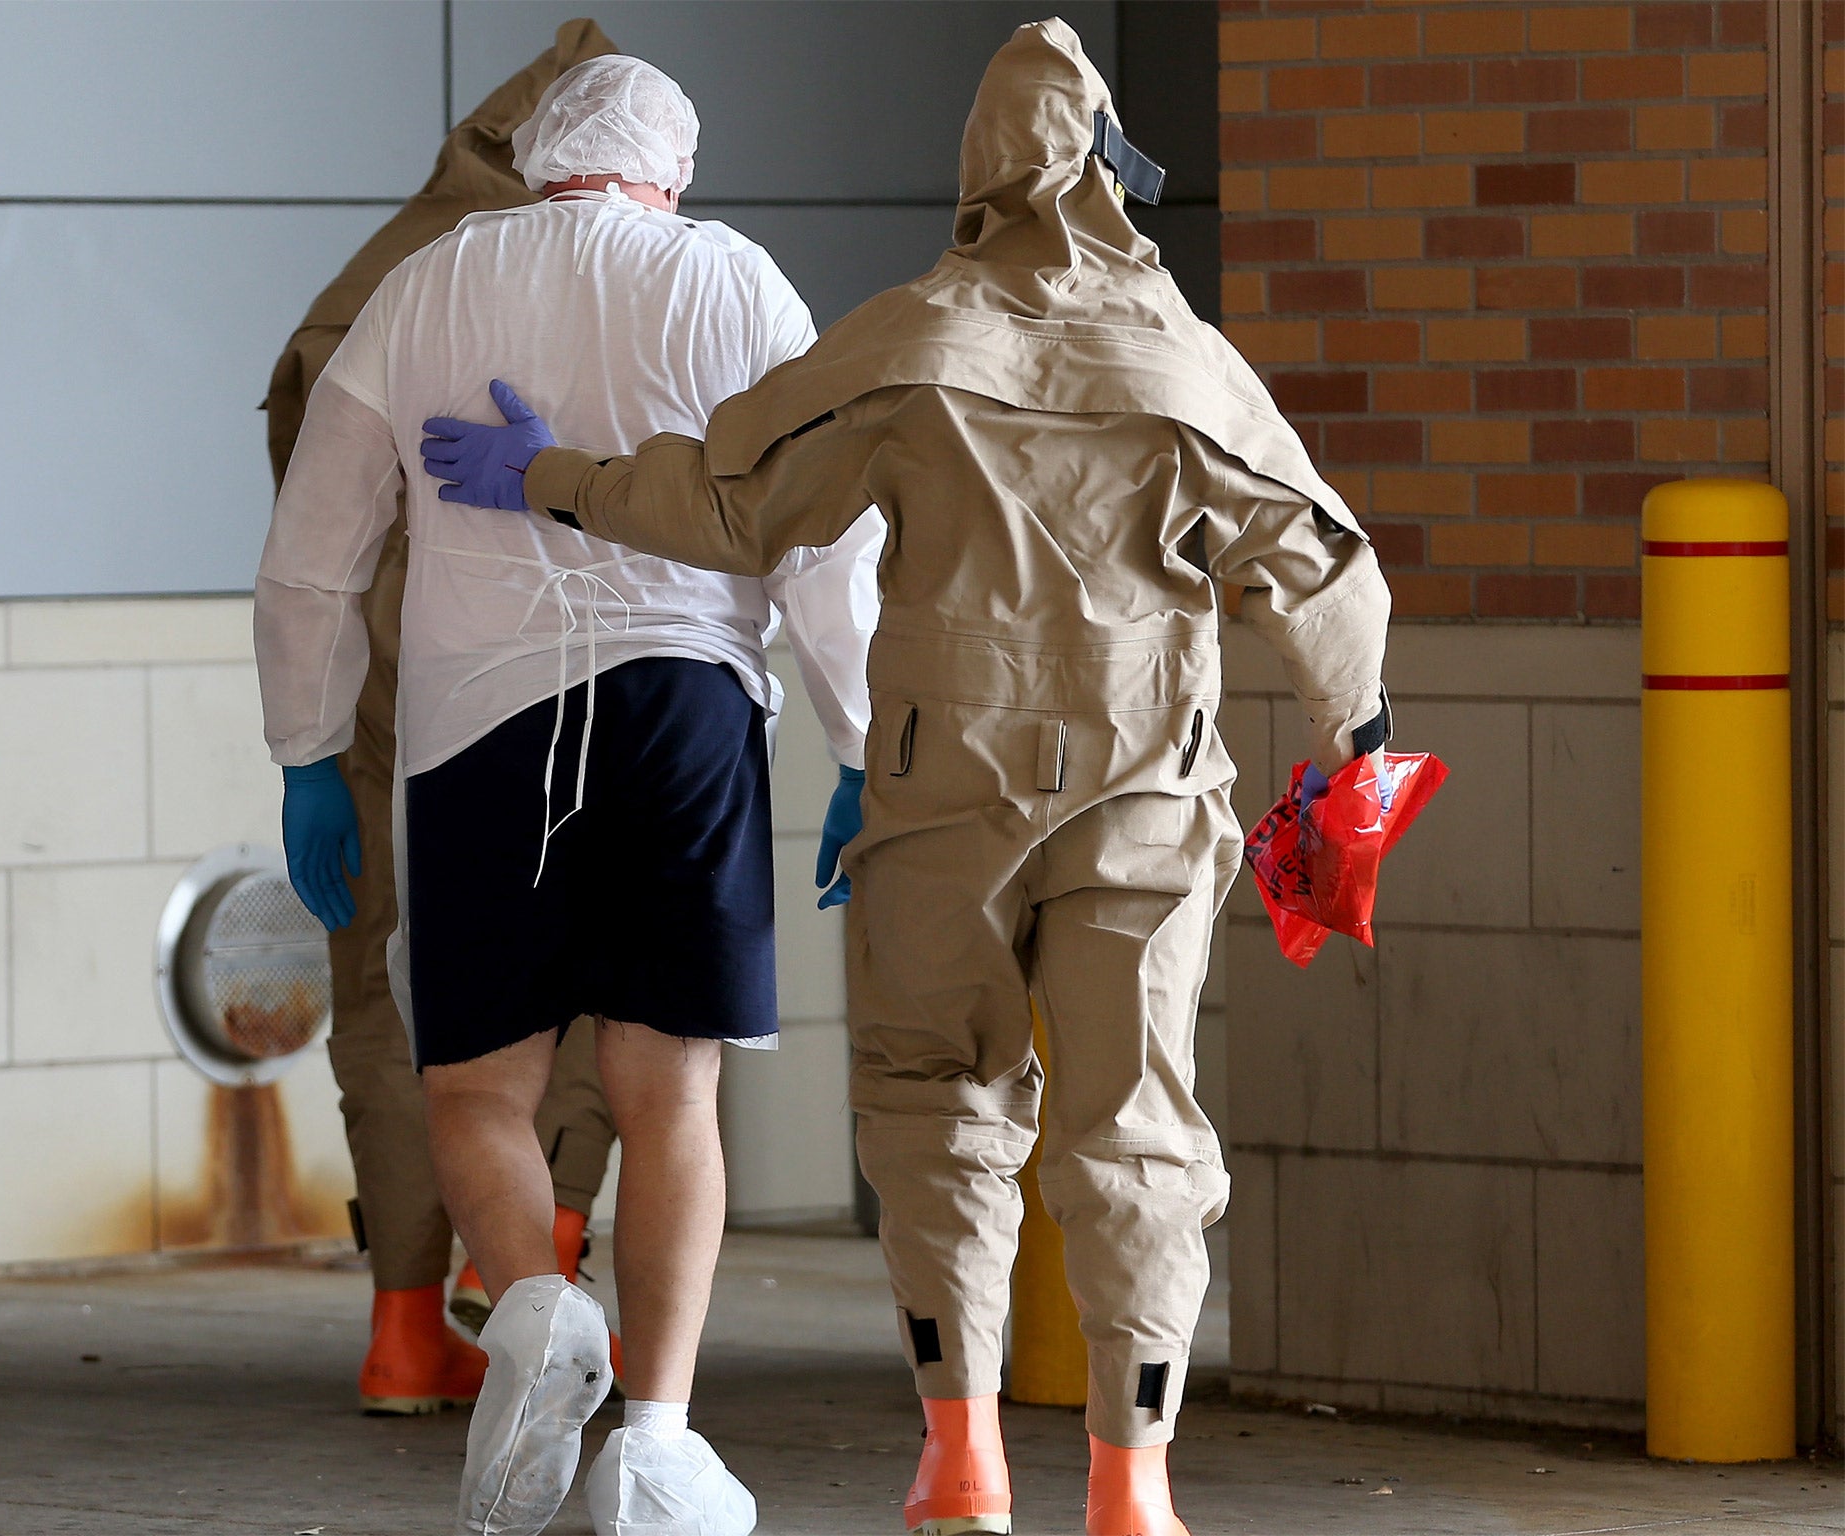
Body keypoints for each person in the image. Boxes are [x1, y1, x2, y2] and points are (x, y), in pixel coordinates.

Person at [417, 20, 1395, 1536]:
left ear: (976, 179)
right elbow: (1325, 571)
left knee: (938, 1107)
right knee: (1133, 1126)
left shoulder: (909, 342)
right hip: (1144, 798)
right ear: (1114, 174)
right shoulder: (1191, 367)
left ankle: (962, 1461)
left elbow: (729, 502)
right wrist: (1358, 758)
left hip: (942, 792)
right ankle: (1134, 1487)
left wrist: (545, 478)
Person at [255, 52, 882, 1536]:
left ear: (538, 161)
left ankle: (534, 1307)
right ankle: (654, 1449)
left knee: (475, 1086)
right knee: (672, 1096)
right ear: (671, 171)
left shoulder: (427, 287)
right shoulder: (732, 280)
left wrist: (303, 754)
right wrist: (865, 743)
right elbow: (822, 532)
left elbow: (314, 542)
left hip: (475, 723)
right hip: (685, 708)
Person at [261, 19, 625, 1416]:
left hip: (379, 702)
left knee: (386, 999)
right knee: (597, 987)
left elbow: (304, 537)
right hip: (571, 693)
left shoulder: (367, 291)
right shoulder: (609, 278)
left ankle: (406, 1331)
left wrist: (303, 747)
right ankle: (542, 1277)